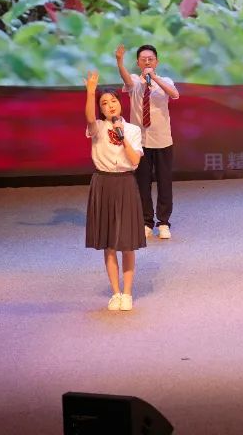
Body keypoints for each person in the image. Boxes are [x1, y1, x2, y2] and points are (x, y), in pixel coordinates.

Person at [84, 70, 145, 311]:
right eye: (104, 103)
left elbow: (135, 160)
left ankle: (127, 293)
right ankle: (116, 293)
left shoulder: (132, 130)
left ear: (120, 103)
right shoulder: (98, 127)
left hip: (126, 183)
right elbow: (89, 117)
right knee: (109, 243)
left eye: (113, 101)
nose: (110, 105)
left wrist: (123, 137)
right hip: (103, 183)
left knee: (127, 243)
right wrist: (91, 92)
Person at [116, 44, 179, 239]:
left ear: (156, 62)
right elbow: (126, 80)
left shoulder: (165, 81)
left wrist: (155, 79)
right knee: (142, 183)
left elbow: (175, 94)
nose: (147, 62)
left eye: (150, 59)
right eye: (143, 59)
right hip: (140, 142)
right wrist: (119, 61)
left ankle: (164, 222)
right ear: (138, 63)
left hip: (162, 140)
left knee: (164, 182)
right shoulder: (135, 82)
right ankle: (146, 221)